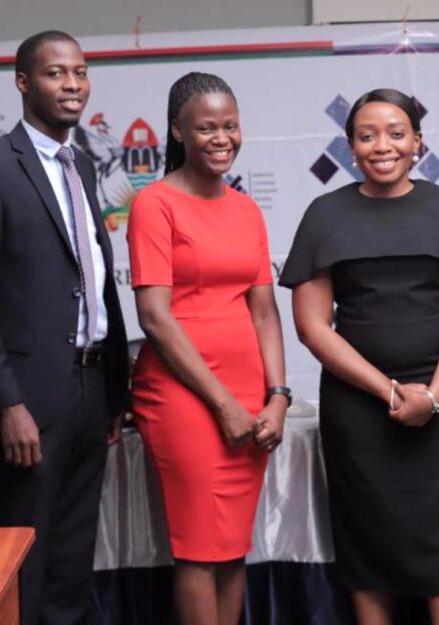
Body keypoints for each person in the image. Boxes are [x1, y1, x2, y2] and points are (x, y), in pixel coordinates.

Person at [279, 88, 439, 625]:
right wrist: (390, 392)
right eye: (367, 134)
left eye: (396, 133)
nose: (383, 145)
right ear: (350, 145)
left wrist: (435, 396)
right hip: (358, 413)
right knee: (366, 540)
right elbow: (311, 326)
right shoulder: (325, 214)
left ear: (417, 142)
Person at [0, 30, 130, 625]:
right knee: (26, 554)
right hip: (29, 400)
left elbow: (92, 279)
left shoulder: (81, 161)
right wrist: (9, 405)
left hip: (90, 387)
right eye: (56, 73)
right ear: (23, 82)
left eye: (80, 72)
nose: (72, 84)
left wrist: (112, 393)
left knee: (74, 558)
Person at [127, 72, 287, 625]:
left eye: (231, 126)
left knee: (232, 544)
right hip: (185, 396)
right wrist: (222, 403)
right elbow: (154, 316)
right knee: (198, 546)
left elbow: (264, 310)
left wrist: (278, 396)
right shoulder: (155, 204)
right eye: (206, 128)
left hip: (249, 394)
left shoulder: (247, 209)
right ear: (177, 131)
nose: (222, 138)